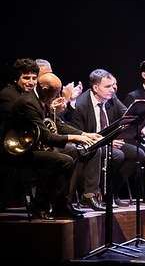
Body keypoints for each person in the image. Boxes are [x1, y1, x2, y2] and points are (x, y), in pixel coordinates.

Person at [9, 73, 99, 218]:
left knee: (75, 152)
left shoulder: (42, 99)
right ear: (44, 89)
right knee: (64, 160)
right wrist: (75, 138)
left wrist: (84, 134)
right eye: (55, 93)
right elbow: (47, 137)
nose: (56, 96)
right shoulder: (29, 103)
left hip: (35, 147)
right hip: (23, 152)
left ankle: (64, 204)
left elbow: (58, 125)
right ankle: (46, 204)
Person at [69, 69, 144, 209]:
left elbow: (127, 114)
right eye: (108, 86)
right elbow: (79, 134)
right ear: (96, 88)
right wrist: (107, 140)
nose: (112, 89)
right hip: (91, 144)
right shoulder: (81, 104)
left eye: (113, 85)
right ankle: (92, 194)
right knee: (118, 155)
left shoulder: (112, 98)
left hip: (109, 141)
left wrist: (144, 129)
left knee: (138, 154)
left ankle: (112, 193)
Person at [0, 58, 38, 125]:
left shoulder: (33, 93)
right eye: (26, 78)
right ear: (16, 79)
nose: (31, 82)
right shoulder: (7, 95)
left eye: (34, 78)